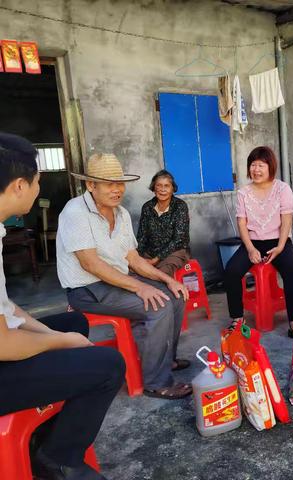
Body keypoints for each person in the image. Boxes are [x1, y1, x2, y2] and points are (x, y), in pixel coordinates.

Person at [0, 133, 125, 480]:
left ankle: (43, 435)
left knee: (74, 326)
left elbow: (5, 307)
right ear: (19, 186)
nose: (40, 188)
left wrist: (51, 333)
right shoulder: (75, 212)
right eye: (39, 182)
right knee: (109, 365)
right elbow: (4, 344)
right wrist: (60, 342)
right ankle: (58, 459)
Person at [56, 153, 192, 400]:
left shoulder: (121, 214)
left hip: (114, 280)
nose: (117, 190)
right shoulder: (75, 212)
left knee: (175, 294)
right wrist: (140, 288)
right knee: (159, 307)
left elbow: (133, 259)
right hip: (87, 289)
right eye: (109, 184)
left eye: (120, 184)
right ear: (90, 185)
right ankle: (156, 381)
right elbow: (91, 264)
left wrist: (167, 280)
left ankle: (165, 361)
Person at [224, 146, 293, 337]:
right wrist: (250, 249)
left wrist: (281, 246)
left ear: (270, 167)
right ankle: (237, 318)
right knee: (231, 271)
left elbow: (287, 220)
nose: (256, 170)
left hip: (279, 240)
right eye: (253, 165)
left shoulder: (282, 189)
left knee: (292, 270)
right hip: (253, 242)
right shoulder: (243, 192)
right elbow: (241, 223)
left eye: (261, 165)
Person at [137, 170, 190, 277]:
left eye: (167, 186)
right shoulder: (147, 207)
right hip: (150, 252)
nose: (162, 189)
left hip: (174, 252)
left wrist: (156, 259)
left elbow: (178, 239)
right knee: (135, 273)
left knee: (160, 275)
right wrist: (137, 257)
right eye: (159, 185)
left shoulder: (180, 206)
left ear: (172, 189)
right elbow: (142, 236)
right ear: (154, 188)